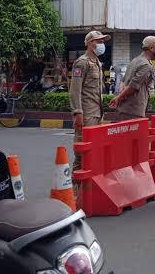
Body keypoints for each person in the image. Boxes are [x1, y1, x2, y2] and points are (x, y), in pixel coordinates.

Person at [69, 30, 109, 192]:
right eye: (98, 41)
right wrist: (77, 112)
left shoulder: (97, 62)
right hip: (86, 114)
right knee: (81, 153)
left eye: (102, 41)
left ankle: (87, 190)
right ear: (89, 43)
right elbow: (75, 90)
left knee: (93, 153)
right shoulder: (82, 62)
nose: (101, 44)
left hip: (97, 113)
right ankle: (73, 192)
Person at [109, 36, 155, 120]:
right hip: (134, 110)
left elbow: (123, 81)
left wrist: (119, 97)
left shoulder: (135, 60)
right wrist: (118, 98)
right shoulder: (146, 65)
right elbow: (133, 86)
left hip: (124, 108)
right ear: (151, 48)